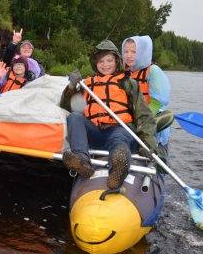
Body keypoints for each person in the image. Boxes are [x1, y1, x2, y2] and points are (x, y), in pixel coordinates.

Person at [59, 40, 161, 188]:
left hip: (120, 130)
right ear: (95, 63)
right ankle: (82, 161)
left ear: (117, 61)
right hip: (95, 133)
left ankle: (118, 168)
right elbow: (67, 106)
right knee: (74, 117)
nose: (105, 65)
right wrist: (71, 86)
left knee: (119, 141)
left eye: (109, 60)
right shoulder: (86, 84)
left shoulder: (128, 83)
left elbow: (144, 116)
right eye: (101, 61)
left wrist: (148, 145)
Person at [122, 35, 172, 148]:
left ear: (142, 53)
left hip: (150, 120)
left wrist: (138, 119)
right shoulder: (123, 73)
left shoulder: (153, 71)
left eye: (133, 52)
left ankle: (157, 151)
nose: (129, 55)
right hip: (128, 121)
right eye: (126, 51)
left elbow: (156, 104)